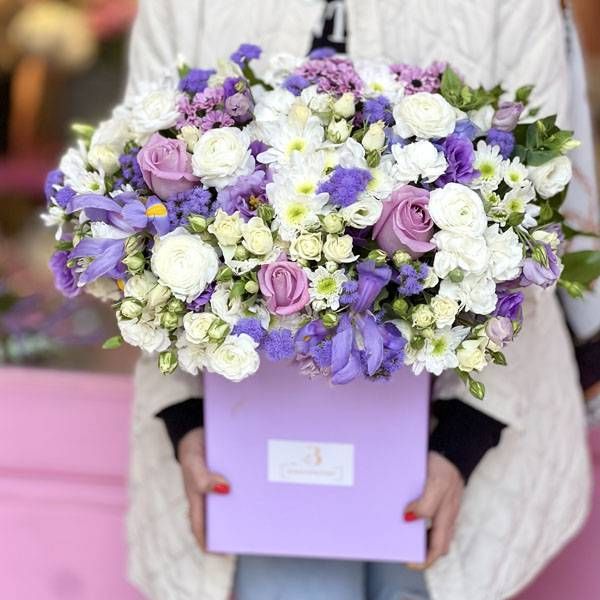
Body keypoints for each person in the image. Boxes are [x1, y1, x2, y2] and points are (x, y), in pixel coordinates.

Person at [125, 2, 595, 599]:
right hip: (242, 437)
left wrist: (465, 440)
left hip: (460, 434)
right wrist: (185, 421)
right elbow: (143, 210)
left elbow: (534, 216)